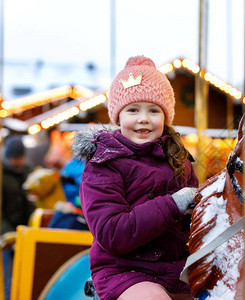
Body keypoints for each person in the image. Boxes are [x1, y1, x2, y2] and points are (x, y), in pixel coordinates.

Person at [73, 55, 198, 300]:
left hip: (176, 268)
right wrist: (174, 204)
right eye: (133, 110)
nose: (144, 118)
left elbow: (194, 221)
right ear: (117, 117)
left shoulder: (178, 158)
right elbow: (112, 233)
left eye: (154, 110)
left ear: (166, 117)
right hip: (124, 269)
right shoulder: (104, 164)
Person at [1, 135, 35, 300]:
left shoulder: (28, 171)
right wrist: (9, 234)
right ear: (8, 157)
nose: (18, 162)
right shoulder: (2, 176)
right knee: (9, 278)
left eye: (20, 158)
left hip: (27, 232)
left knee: (27, 275)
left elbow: (33, 202)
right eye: (14, 158)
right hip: (8, 236)